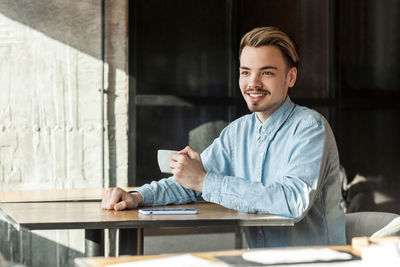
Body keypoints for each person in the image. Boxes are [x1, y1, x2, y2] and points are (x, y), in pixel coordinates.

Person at [102, 26, 346, 247]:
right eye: (245, 72)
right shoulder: (238, 132)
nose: (253, 83)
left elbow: (291, 202)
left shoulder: (310, 128)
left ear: (290, 77)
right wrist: (138, 196)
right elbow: (190, 182)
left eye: (267, 73)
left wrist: (204, 181)